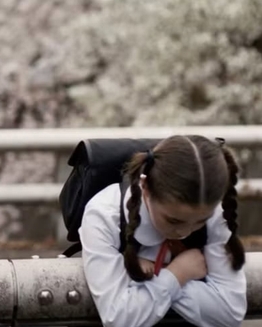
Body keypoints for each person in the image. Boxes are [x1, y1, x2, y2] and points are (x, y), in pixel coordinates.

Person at [79, 135, 247, 327]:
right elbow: (119, 318)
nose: (185, 232)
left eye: (201, 221)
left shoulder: (214, 212)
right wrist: (177, 274)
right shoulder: (104, 215)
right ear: (145, 187)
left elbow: (230, 312)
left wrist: (145, 280)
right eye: (173, 220)